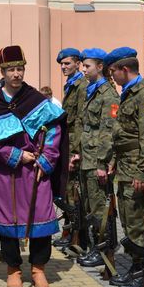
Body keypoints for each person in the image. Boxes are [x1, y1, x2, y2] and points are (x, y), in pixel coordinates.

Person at [0, 45, 68, 287]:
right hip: (5, 172)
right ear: (2, 71)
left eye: (20, 69)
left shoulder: (36, 100)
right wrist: (14, 155)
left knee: (40, 220)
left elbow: (55, 130)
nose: (16, 74)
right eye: (11, 69)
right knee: (8, 223)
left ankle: (38, 269)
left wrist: (46, 160)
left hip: (35, 170)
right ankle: (13, 269)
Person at [106, 47, 144, 287]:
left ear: (124, 70)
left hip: (136, 170)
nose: (112, 77)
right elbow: (123, 135)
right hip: (125, 168)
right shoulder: (128, 94)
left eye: (113, 72)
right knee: (129, 221)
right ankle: (136, 266)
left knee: (138, 223)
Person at [76, 48, 119, 268]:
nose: (83, 70)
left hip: (97, 161)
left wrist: (104, 163)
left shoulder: (108, 95)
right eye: (83, 66)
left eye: (87, 66)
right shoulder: (92, 91)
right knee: (90, 206)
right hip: (87, 158)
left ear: (100, 67)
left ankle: (104, 248)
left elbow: (108, 132)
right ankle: (97, 247)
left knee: (100, 208)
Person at [55, 48, 86, 248]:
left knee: (74, 193)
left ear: (77, 63)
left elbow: (82, 120)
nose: (64, 67)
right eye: (62, 64)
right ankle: (69, 232)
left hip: (75, 145)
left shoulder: (82, 86)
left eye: (67, 63)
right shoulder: (71, 85)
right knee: (67, 192)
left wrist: (76, 151)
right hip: (67, 143)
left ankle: (78, 237)